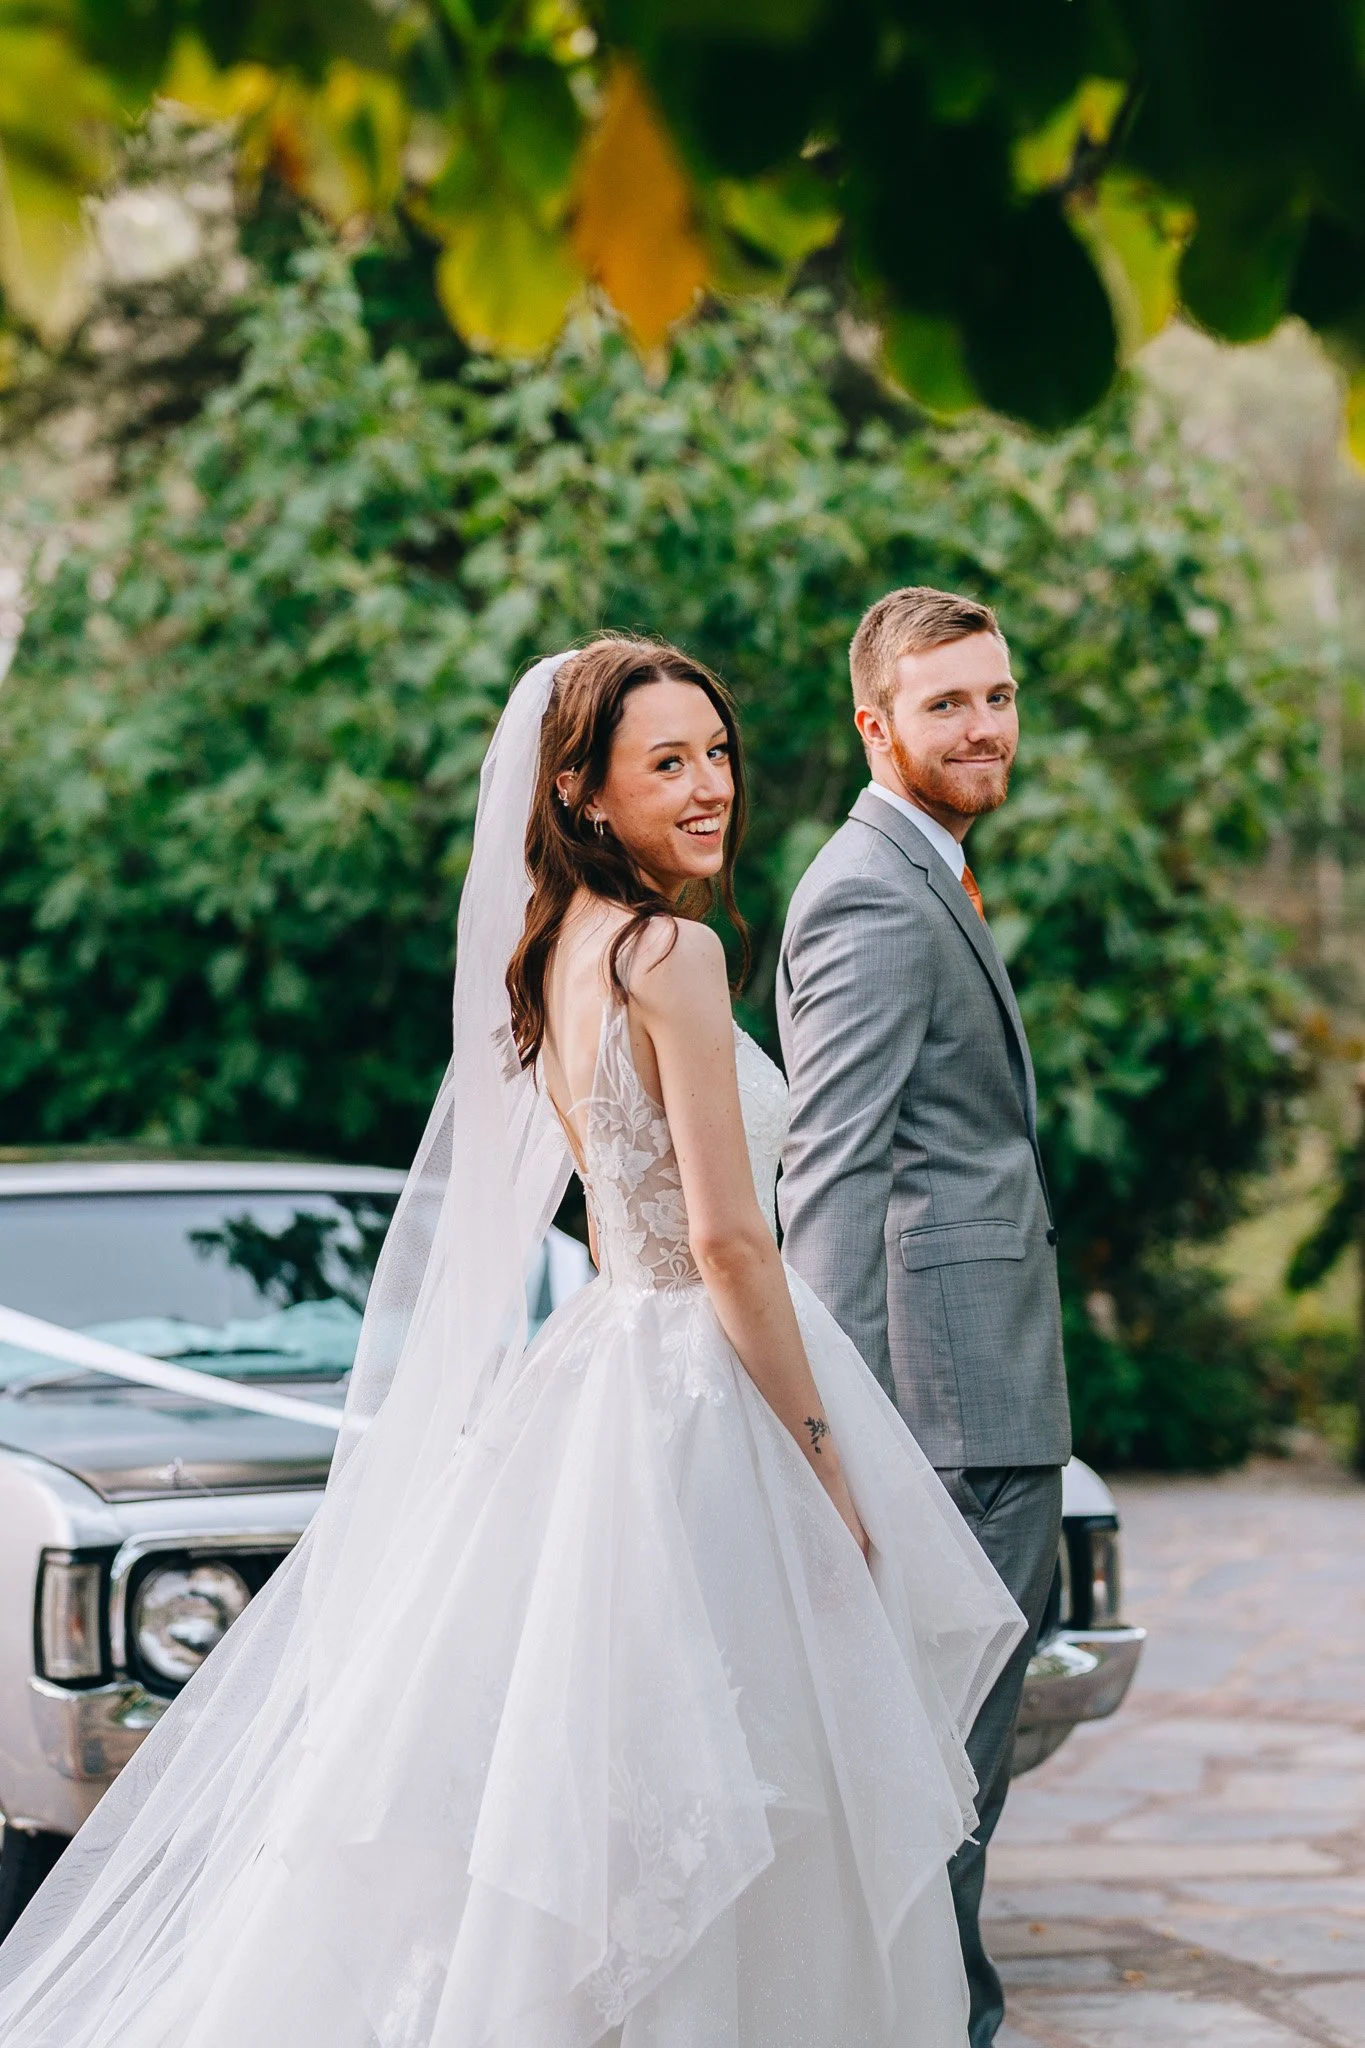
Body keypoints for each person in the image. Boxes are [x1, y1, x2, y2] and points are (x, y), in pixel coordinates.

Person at [0, 635, 1022, 2047]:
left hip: (608, 1369)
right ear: (582, 790)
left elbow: (614, 1221)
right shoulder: (673, 951)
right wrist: (824, 1462)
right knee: (752, 1780)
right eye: (667, 763)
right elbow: (729, 1242)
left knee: (607, 1789)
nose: (710, 787)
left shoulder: (560, 951)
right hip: (701, 1387)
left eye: (718, 754)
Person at [777, 589, 1072, 2048]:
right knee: (940, 1790)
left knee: (955, 1785)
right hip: (942, 1422)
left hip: (981, 1395)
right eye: (946, 703)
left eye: (997, 697)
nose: (983, 726)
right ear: (873, 724)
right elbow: (829, 1178)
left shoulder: (929, 871)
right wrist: (830, 1448)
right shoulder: (871, 892)